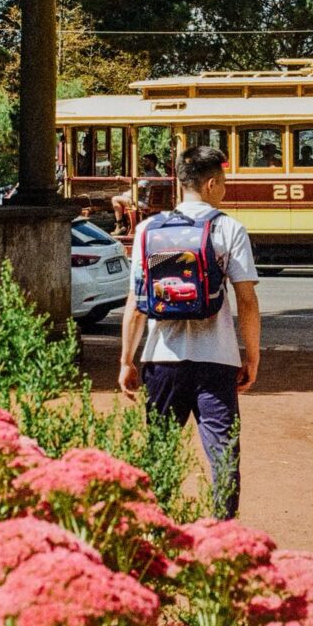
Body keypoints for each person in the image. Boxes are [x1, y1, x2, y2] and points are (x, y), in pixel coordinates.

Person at [119, 145, 261, 517]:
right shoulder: (228, 228)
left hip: (162, 359)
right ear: (212, 183)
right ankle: (222, 531)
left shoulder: (150, 229)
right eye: (224, 182)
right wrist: (253, 355)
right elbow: (246, 300)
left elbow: (135, 302)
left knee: (160, 450)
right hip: (216, 359)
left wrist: (126, 360)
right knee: (223, 453)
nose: (226, 189)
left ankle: (156, 527)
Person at [111, 152, 162, 236]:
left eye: (146, 162)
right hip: (154, 202)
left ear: (152, 163)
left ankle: (120, 226)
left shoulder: (150, 174)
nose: (143, 164)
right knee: (125, 197)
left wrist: (123, 179)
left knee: (115, 199)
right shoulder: (157, 174)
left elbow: (138, 186)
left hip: (146, 204)